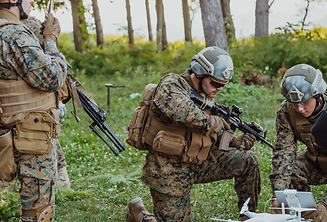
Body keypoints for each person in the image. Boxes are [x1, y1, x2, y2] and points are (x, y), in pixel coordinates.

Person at [126, 46, 261, 222]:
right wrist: (218, 122)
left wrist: (234, 141)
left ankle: (249, 216)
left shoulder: (206, 95)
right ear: (199, 72)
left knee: (248, 160)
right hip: (168, 169)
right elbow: (186, 114)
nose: (219, 89)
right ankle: (140, 215)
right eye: (216, 83)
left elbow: (208, 133)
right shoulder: (171, 84)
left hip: (199, 161)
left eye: (223, 85)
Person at [0, 0, 68, 221]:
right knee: (38, 209)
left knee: (33, 202)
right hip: (31, 132)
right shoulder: (13, 36)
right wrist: (51, 41)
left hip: (12, 125)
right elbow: (52, 77)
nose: (32, 1)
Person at [269, 64, 327, 221]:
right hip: (317, 162)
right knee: (293, 167)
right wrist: (279, 193)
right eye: (295, 103)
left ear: (317, 94)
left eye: (305, 101)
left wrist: (325, 205)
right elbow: (284, 151)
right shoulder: (287, 111)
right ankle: (306, 213)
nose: (300, 108)